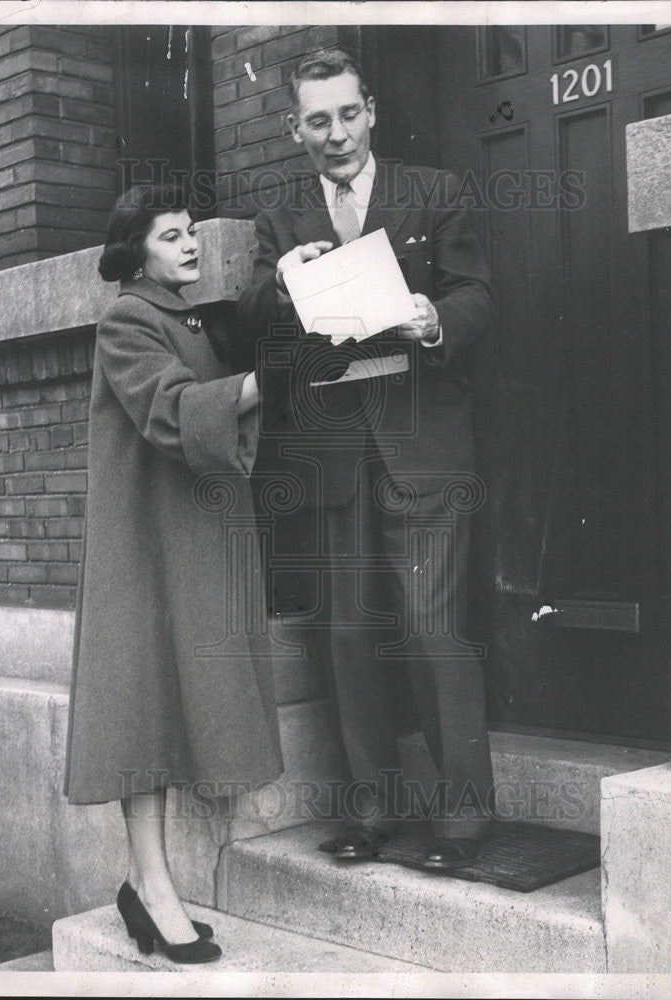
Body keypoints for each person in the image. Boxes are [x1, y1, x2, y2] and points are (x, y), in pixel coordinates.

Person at [236, 49, 496, 870]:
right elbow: (245, 317)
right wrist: (279, 281)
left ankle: (462, 825)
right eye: (318, 120)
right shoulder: (278, 220)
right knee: (347, 632)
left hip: (424, 446)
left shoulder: (436, 190)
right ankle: (374, 810)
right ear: (295, 129)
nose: (337, 134)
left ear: (371, 111)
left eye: (348, 114)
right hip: (335, 453)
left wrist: (434, 317)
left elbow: (480, 295)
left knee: (431, 627)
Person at [64, 185, 283, 962]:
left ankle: (143, 886)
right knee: (140, 715)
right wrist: (267, 383)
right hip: (143, 554)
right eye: (170, 237)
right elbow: (172, 408)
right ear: (137, 253)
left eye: (191, 232)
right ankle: (154, 888)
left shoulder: (185, 317)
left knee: (158, 710)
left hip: (179, 546)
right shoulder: (127, 318)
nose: (189, 245)